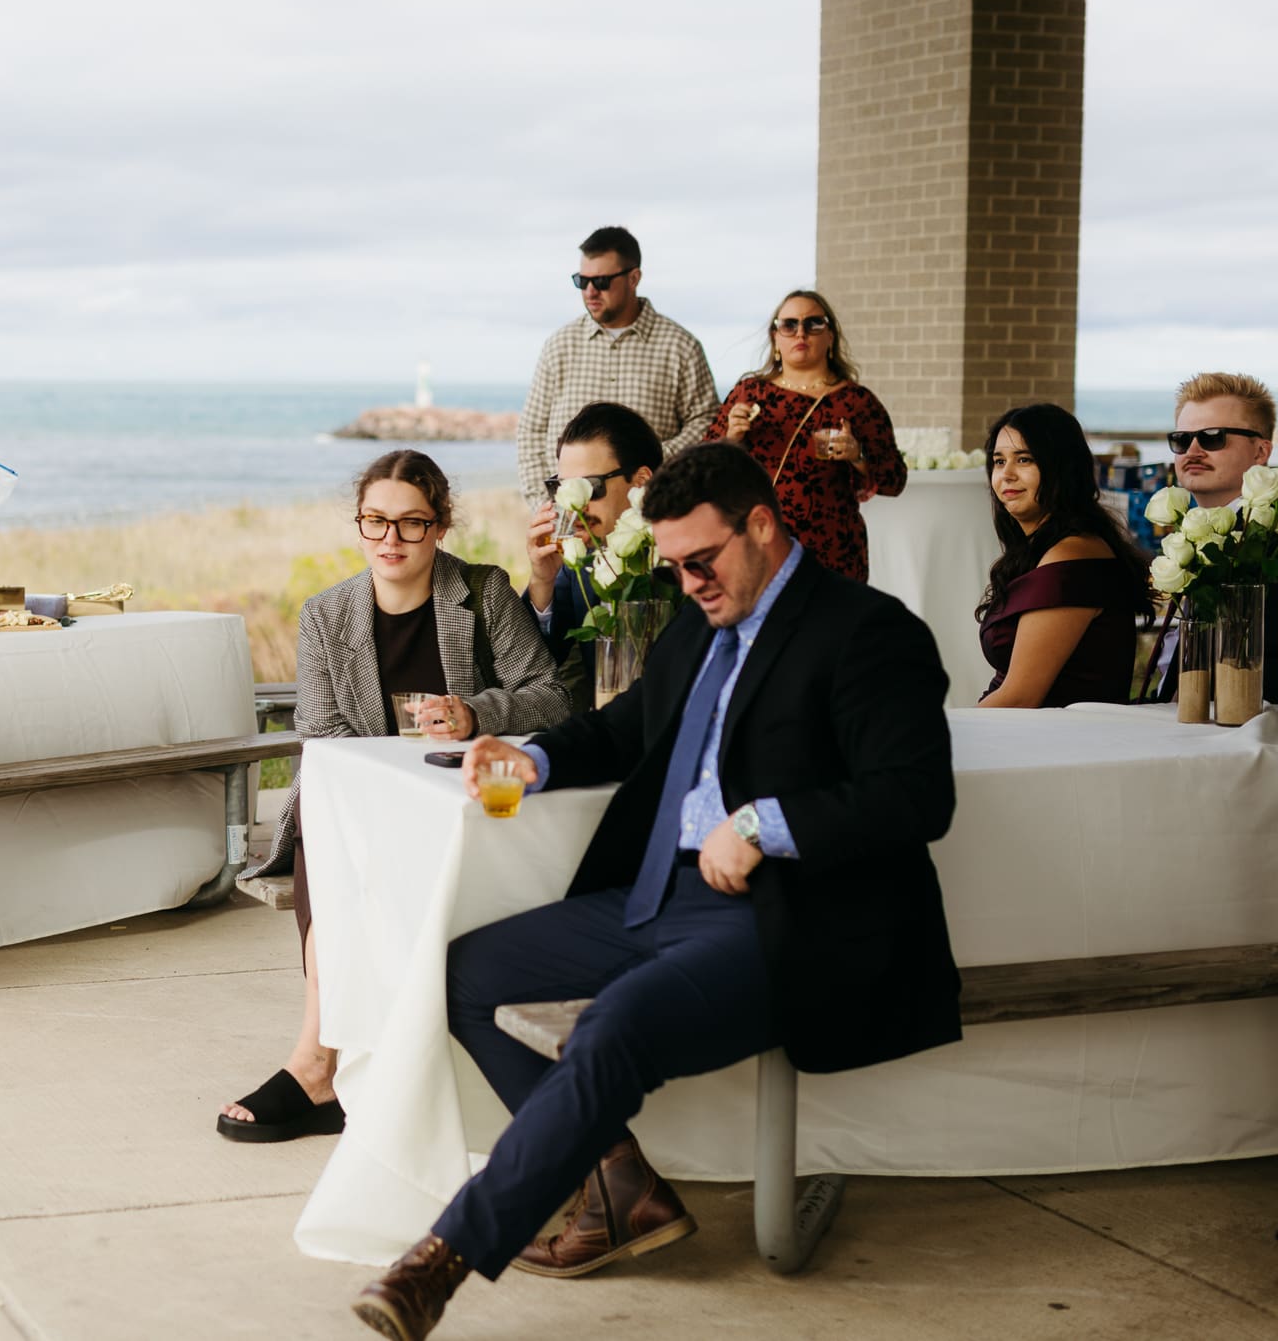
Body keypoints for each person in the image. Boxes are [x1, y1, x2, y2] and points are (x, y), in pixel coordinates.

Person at [349, 443, 960, 1340]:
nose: (688, 582)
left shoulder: (868, 631)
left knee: (613, 1029)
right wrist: (538, 754)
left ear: (761, 525)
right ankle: (619, 1181)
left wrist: (760, 826)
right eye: (672, 565)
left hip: (782, 918)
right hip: (651, 896)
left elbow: (916, 794)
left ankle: (441, 1257)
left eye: (700, 561)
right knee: (457, 975)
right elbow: (626, 725)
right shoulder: (697, 623)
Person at [219, 450, 573, 1143]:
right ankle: (317, 1057)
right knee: (327, 832)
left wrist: (474, 712)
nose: (390, 539)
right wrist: (383, 788)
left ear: (440, 525)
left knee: (337, 840)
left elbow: (552, 696)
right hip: (368, 807)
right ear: (359, 523)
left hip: (467, 805)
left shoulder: (483, 592)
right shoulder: (327, 615)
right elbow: (320, 735)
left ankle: (319, 1068)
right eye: (375, 521)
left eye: (411, 523)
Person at [705, 289, 905, 583]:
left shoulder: (857, 402)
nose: (801, 332)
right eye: (789, 324)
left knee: (831, 629)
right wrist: (731, 439)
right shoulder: (749, 393)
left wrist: (857, 455)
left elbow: (895, 480)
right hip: (759, 542)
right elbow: (704, 466)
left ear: (831, 336)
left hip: (834, 551)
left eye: (814, 323)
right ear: (775, 338)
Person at [513, 226, 718, 510]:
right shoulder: (559, 345)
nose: (590, 292)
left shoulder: (680, 347)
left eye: (602, 281)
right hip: (571, 525)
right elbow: (531, 432)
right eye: (582, 281)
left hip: (652, 519)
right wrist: (544, 507)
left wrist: (653, 460)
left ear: (634, 278)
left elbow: (707, 423)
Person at [976, 405, 1152, 708]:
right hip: (1023, 732)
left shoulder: (1073, 556)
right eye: (999, 461)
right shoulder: (1042, 549)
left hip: (1058, 742)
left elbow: (1019, 698)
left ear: (1061, 468)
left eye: (1024, 460)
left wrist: (948, 734)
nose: (1006, 474)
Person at [1141, 371, 1278, 702]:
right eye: (1181, 439)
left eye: (1213, 437)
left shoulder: (1270, 544)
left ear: (1261, 452)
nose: (1194, 450)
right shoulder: (1190, 537)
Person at [522, 402, 665, 706]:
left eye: (589, 487)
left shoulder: (687, 559)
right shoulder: (577, 563)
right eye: (562, 488)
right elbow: (536, 663)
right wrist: (542, 580)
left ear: (641, 481)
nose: (576, 506)